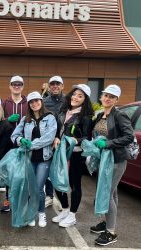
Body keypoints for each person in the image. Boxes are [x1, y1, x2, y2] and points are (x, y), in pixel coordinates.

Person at [90, 85, 133, 246]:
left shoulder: (120, 115)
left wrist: (108, 143)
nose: (107, 98)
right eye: (105, 95)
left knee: (106, 194)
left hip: (116, 160)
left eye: (111, 97)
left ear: (116, 100)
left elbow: (128, 137)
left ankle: (111, 232)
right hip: (103, 159)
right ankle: (106, 222)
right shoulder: (101, 115)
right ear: (101, 97)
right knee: (112, 193)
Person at [11, 91, 57, 227]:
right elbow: (14, 135)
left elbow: (49, 137)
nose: (34, 104)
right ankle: (31, 214)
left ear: (41, 102)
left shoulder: (50, 117)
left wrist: (31, 144)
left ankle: (41, 214)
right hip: (29, 159)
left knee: (38, 188)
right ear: (29, 105)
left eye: (37, 101)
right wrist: (21, 140)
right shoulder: (26, 119)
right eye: (31, 102)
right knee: (30, 188)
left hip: (44, 158)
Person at [51, 84, 94, 228]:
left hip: (75, 154)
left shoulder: (86, 116)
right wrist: (56, 137)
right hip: (60, 152)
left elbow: (87, 137)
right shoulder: (63, 111)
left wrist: (76, 140)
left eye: (80, 96)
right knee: (57, 180)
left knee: (74, 184)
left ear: (85, 100)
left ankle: (72, 215)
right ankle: (64, 209)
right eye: (75, 94)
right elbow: (58, 129)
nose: (76, 97)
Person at [0, 75, 28, 212]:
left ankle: (23, 200)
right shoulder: (4, 103)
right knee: (10, 171)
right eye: (14, 84)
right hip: (8, 143)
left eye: (19, 84)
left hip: (24, 143)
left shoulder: (29, 103)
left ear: (22, 86)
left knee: (24, 172)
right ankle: (8, 198)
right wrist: (7, 120)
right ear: (10, 86)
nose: (16, 86)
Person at [43, 76, 65, 208]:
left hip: (63, 140)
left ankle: (63, 200)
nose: (55, 86)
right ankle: (49, 196)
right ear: (49, 86)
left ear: (62, 86)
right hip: (49, 141)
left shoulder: (68, 100)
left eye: (58, 84)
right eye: (52, 84)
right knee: (48, 170)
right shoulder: (45, 101)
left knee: (61, 171)